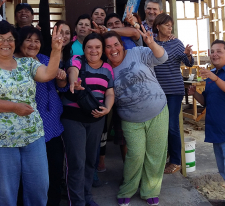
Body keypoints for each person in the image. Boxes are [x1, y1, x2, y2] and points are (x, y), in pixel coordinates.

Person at [0, 21, 64, 206]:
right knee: (6, 195)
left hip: (32, 136)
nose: (6, 42)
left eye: (10, 39)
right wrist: (14, 107)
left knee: (39, 189)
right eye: (0, 39)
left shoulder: (27, 63)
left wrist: (56, 50)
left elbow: (48, 74)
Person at [103, 23, 169, 206]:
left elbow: (163, 57)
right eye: (108, 46)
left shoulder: (137, 52)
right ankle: (128, 188)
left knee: (156, 153)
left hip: (158, 110)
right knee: (136, 155)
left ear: (122, 45)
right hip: (130, 118)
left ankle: (151, 190)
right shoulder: (105, 69)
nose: (113, 49)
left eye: (115, 44)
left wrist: (151, 43)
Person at [188, 40, 225, 206]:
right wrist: (195, 94)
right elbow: (207, 101)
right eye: (212, 51)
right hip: (216, 131)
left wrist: (213, 77)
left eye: (219, 51)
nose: (214, 54)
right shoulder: (212, 76)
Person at [15, 26, 68, 206]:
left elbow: (61, 86)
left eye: (37, 41)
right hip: (28, 130)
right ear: (20, 42)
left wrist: (62, 77)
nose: (33, 44)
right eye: (28, 40)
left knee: (54, 171)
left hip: (53, 126)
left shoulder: (46, 59)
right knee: (28, 176)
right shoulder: (13, 64)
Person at [61, 33, 115, 206]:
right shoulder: (77, 59)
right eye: (90, 47)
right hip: (73, 118)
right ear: (84, 49)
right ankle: (77, 202)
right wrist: (72, 82)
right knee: (77, 161)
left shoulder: (107, 68)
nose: (94, 50)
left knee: (91, 160)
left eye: (98, 47)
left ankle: (87, 196)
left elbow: (110, 92)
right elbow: (72, 70)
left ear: (102, 50)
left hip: (96, 119)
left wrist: (107, 108)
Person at [151, 13, 194, 174]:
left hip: (174, 91)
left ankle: (176, 160)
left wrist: (188, 54)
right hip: (156, 91)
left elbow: (189, 63)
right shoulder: (151, 42)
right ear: (158, 26)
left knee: (172, 126)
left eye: (171, 25)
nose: (170, 28)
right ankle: (164, 157)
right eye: (167, 25)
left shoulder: (176, 43)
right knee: (158, 127)